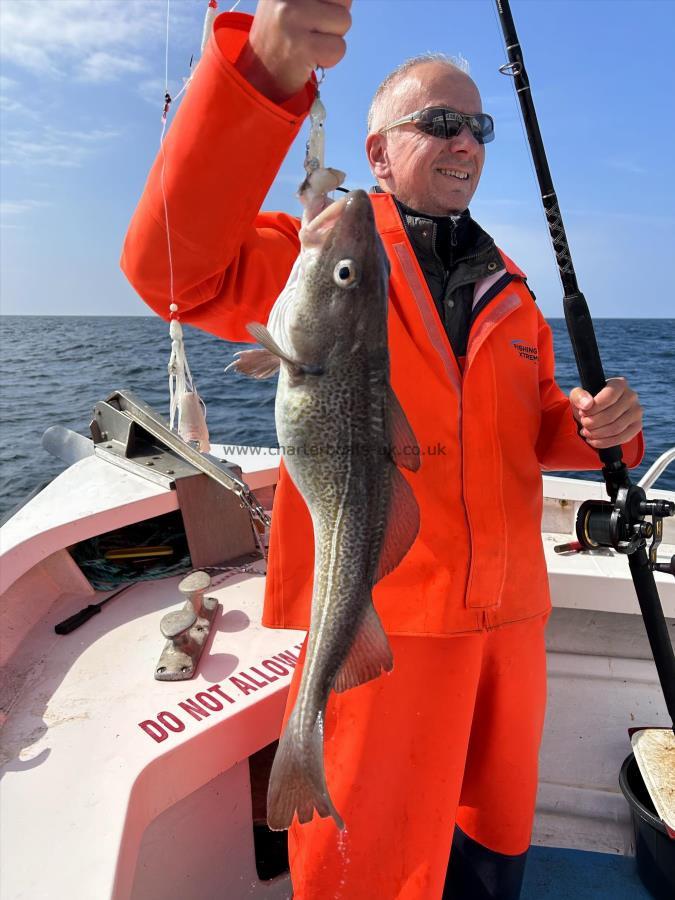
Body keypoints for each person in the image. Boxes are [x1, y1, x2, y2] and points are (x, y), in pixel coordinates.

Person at [121, 2, 644, 897]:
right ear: (376, 151)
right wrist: (263, 76)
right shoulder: (323, 254)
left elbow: (536, 433)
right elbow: (172, 270)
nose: (464, 142)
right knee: (373, 861)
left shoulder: (509, 290)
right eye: (438, 122)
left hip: (512, 625)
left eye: (476, 126)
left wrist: (603, 425)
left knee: (492, 846)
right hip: (389, 619)